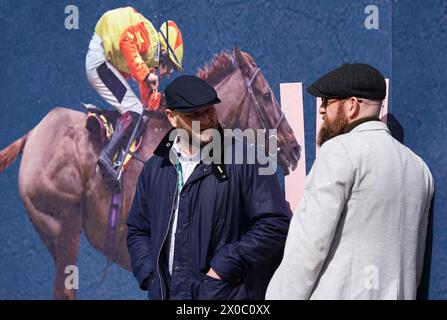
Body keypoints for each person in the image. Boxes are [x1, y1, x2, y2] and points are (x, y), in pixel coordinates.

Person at [266, 63, 434, 300]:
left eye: (327, 101)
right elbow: (414, 264)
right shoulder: (419, 168)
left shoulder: (339, 151)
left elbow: (308, 247)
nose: (322, 110)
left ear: (352, 105)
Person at [126, 75, 291, 300]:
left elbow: (275, 224)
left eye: (209, 110)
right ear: (172, 117)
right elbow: (138, 229)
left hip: (224, 296)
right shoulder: (156, 167)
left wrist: (224, 267)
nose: (206, 120)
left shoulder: (249, 158)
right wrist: (149, 275)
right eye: (194, 114)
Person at [85, 6, 184, 179]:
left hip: (105, 60)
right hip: (99, 60)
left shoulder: (149, 62)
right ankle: (107, 156)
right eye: (170, 66)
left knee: (139, 114)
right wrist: (145, 75)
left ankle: (112, 152)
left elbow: (149, 104)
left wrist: (165, 103)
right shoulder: (149, 37)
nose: (169, 72)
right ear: (163, 52)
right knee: (134, 110)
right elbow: (126, 41)